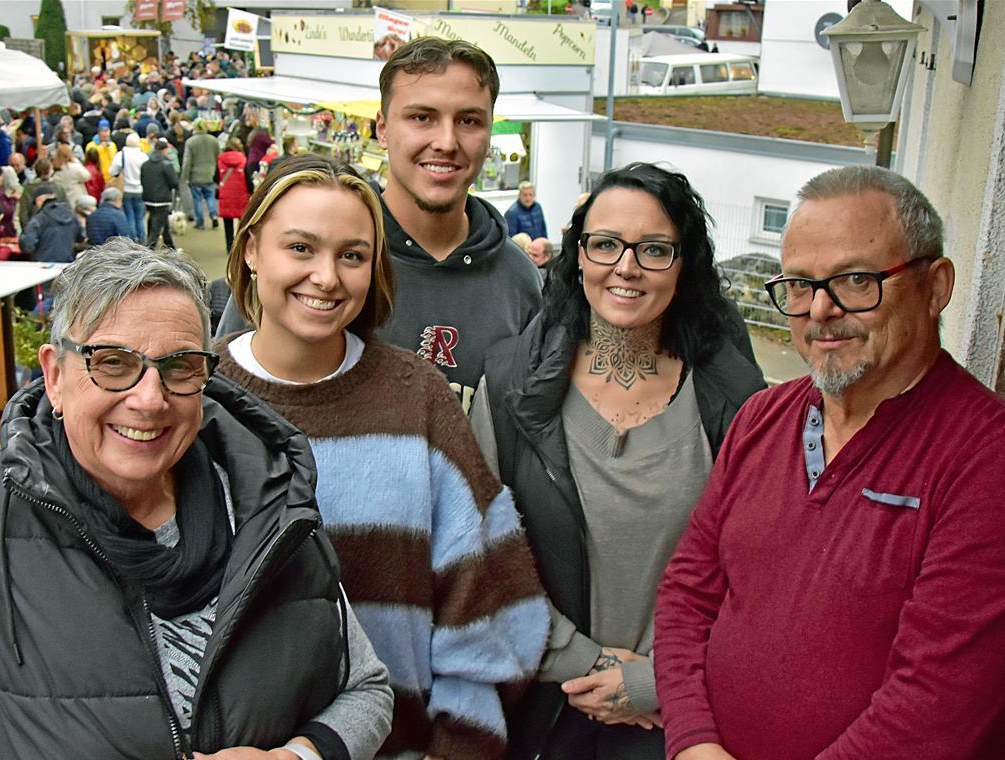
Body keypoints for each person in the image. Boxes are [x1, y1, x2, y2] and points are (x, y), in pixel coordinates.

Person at [0, 241, 394, 758]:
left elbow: (367, 688)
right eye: (113, 363)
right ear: (54, 376)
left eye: (180, 365)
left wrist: (298, 756)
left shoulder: (267, 502)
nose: (148, 398)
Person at [655, 165, 1005, 760]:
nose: (819, 310)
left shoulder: (983, 459)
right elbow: (687, 594)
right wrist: (693, 742)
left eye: (855, 280)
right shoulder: (761, 419)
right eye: (799, 284)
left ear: (936, 286)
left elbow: (935, 707)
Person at [215, 155, 548, 759]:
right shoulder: (193, 397)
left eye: (352, 255)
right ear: (251, 250)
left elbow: (492, 602)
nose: (327, 277)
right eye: (300, 248)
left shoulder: (416, 399)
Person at [471, 163, 764, 760]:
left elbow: (765, 576)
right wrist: (589, 663)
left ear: (685, 266)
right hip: (543, 713)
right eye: (605, 244)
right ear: (577, 256)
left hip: (681, 723)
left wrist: (654, 682)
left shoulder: (739, 402)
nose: (626, 267)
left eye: (654, 249)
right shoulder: (508, 386)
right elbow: (481, 558)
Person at [217, 37, 542, 415]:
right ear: (383, 129)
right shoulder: (310, 265)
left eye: (468, 120)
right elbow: (226, 397)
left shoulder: (519, 279)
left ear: (489, 135)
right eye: (422, 117)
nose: (446, 142)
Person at [20, 184, 83, 264]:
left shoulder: (39, 219)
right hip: (67, 264)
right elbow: (80, 238)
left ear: (39, 199)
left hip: (42, 267)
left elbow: (27, 245)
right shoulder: (72, 215)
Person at [181, 121, 220, 230]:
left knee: (197, 199)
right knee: (210, 196)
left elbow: (187, 162)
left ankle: (200, 222)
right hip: (210, 174)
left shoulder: (190, 142)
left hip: (195, 175)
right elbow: (219, 157)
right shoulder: (214, 140)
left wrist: (185, 177)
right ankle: (214, 215)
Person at [111, 133, 149, 242]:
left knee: (129, 216)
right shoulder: (143, 156)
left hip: (126, 189)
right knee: (140, 217)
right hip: (140, 190)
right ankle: (142, 240)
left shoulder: (121, 155)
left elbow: (112, 171)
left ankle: (132, 240)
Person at [142, 138, 179, 250]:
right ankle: (148, 250)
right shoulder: (166, 164)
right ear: (165, 149)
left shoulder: (146, 164)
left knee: (162, 223)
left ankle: (170, 247)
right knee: (156, 228)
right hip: (162, 199)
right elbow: (173, 182)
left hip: (149, 198)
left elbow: (142, 180)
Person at [216, 136, 248, 253]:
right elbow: (248, 177)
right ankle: (241, 245)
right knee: (243, 222)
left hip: (226, 194)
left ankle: (229, 247)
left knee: (227, 223)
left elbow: (215, 177)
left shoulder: (220, 160)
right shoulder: (244, 160)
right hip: (241, 193)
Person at [52, 143, 92, 211]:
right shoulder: (73, 167)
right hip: (77, 199)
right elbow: (87, 176)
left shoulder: (55, 168)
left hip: (64, 200)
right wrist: (76, 162)